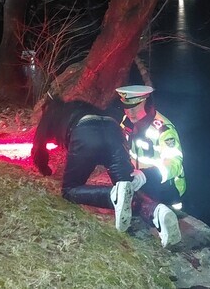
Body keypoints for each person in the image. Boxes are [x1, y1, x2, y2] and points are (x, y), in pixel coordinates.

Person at [31, 97, 134, 232]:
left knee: (69, 190)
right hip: (113, 131)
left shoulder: (50, 114)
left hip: (86, 134)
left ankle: (112, 195)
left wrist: (45, 170)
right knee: (128, 187)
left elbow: (38, 147)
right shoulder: (79, 105)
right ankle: (155, 210)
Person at [115, 85, 186, 247]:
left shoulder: (164, 130)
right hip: (142, 180)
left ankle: (166, 224)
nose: (129, 113)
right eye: (126, 108)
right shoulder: (127, 121)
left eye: (134, 107)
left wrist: (146, 175)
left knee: (156, 210)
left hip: (166, 186)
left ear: (146, 103)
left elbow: (174, 164)